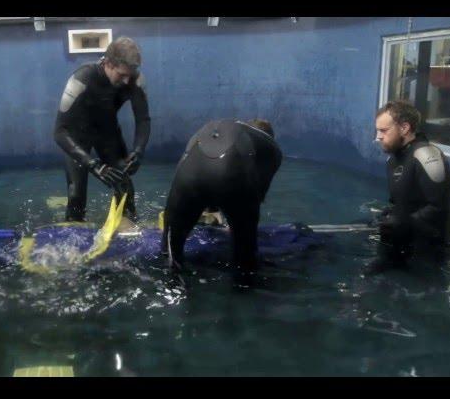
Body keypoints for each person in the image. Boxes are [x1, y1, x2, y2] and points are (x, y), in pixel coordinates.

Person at [161, 118, 282, 281]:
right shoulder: (272, 147)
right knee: (245, 260)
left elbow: (188, 164)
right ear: (270, 136)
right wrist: (233, 219)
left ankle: (171, 272)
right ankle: (242, 289)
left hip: (187, 175)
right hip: (231, 175)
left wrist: (186, 209)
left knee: (170, 253)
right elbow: (258, 194)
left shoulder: (214, 127)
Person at [54, 36, 151, 222]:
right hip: (76, 136)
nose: (126, 80)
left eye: (130, 74)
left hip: (107, 133)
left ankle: (127, 229)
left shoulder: (136, 80)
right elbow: (59, 131)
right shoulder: (81, 79)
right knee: (76, 196)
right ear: (107, 63)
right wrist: (93, 164)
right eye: (121, 74)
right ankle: (74, 232)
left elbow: (143, 120)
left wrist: (138, 151)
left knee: (124, 186)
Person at [366, 100, 450, 275]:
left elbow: (440, 208)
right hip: (404, 241)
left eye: (383, 131)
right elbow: (399, 203)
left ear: (404, 128)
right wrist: (389, 216)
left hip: (430, 250)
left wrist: (403, 222)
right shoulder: (393, 159)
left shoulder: (427, 154)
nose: (378, 137)